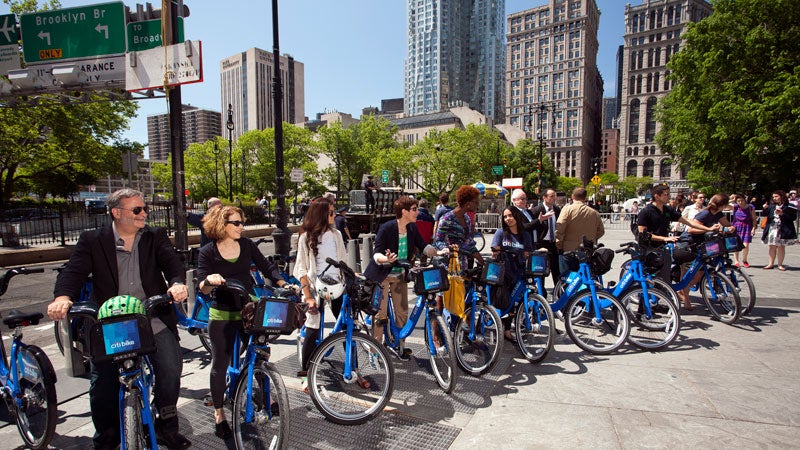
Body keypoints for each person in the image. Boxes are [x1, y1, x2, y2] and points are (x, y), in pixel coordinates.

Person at [48, 188, 191, 450]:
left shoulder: (154, 236)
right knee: (102, 383)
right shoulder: (93, 240)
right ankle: (107, 437)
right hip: (112, 322)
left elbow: (172, 265)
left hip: (151, 317)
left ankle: (167, 426)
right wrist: (63, 297)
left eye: (144, 208)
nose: (144, 213)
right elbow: (73, 271)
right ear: (117, 213)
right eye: (137, 210)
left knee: (170, 368)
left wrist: (177, 283)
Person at [197, 205, 295, 440]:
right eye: (236, 223)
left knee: (259, 352)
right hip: (222, 313)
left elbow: (267, 267)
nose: (242, 227)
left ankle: (267, 394)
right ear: (222, 225)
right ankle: (219, 414)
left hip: (248, 310)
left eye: (242, 223)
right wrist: (209, 280)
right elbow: (201, 285)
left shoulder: (247, 246)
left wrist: (283, 283)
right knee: (220, 363)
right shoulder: (208, 251)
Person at [365, 196, 445, 359]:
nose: (417, 213)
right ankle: (375, 352)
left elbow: (423, 246)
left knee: (402, 313)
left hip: (400, 275)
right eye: (414, 209)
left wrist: (438, 252)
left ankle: (400, 345)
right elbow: (376, 254)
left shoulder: (412, 229)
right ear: (404, 211)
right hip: (382, 276)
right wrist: (386, 259)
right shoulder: (386, 228)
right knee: (380, 316)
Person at [292, 198, 349, 384]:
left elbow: (344, 262)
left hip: (336, 285)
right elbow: (301, 269)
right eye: (331, 213)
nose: (334, 216)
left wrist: (353, 277)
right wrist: (308, 297)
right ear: (322, 215)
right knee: (313, 326)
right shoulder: (306, 237)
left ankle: (353, 367)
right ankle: (306, 370)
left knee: (347, 325)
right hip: (315, 287)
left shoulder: (336, 235)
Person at [636, 184, 720, 307]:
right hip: (649, 248)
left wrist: (707, 228)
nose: (669, 196)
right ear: (657, 196)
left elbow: (688, 222)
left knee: (664, 278)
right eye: (666, 194)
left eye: (669, 194)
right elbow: (643, 233)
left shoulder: (667, 209)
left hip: (663, 247)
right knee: (650, 279)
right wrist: (665, 238)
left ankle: (656, 302)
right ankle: (644, 306)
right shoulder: (646, 212)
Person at [679, 193, 735, 308]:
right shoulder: (704, 214)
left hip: (703, 244)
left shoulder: (718, 213)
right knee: (689, 272)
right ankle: (685, 296)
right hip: (689, 243)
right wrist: (708, 229)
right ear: (722, 205)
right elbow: (691, 229)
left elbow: (726, 224)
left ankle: (684, 291)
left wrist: (730, 227)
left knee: (701, 272)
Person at [491, 207, 533, 342]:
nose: (508, 219)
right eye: (505, 217)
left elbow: (528, 253)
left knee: (514, 302)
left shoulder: (525, 235)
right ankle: (501, 328)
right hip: (503, 272)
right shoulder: (500, 233)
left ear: (517, 216)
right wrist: (499, 251)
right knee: (503, 300)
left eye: (510, 216)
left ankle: (508, 330)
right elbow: (494, 252)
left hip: (518, 271)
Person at [555, 187, 605, 273]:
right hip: (587, 251)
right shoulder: (594, 213)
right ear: (585, 198)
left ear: (572, 196)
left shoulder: (567, 209)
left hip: (568, 250)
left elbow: (560, 228)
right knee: (584, 278)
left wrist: (558, 245)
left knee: (567, 280)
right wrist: (591, 239)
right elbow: (601, 231)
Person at [435, 185, 484, 267]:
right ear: (468, 203)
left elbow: (469, 243)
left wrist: (481, 261)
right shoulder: (447, 219)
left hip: (463, 264)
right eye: (476, 202)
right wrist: (446, 249)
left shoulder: (466, 218)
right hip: (449, 266)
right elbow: (438, 240)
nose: (478, 204)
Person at [530, 188, 561, 286]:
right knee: (541, 270)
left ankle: (558, 291)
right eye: (551, 196)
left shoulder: (556, 210)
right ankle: (541, 293)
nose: (554, 199)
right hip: (541, 243)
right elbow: (531, 226)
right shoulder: (536, 210)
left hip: (553, 243)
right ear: (544, 198)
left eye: (555, 196)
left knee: (556, 269)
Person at [761, 190, 798, 271]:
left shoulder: (789, 206)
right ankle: (770, 264)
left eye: (776, 196)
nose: (774, 198)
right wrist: (764, 208)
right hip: (772, 228)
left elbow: (793, 217)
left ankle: (780, 264)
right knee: (771, 246)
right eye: (773, 197)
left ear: (782, 196)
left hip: (783, 229)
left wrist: (782, 214)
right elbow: (764, 214)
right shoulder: (771, 206)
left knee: (781, 246)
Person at [730, 193, 757, 267]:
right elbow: (724, 205)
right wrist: (731, 200)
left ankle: (744, 260)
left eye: (742, 200)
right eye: (738, 201)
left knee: (746, 245)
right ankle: (736, 260)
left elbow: (754, 219)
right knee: (736, 244)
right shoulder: (735, 207)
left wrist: (754, 228)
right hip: (737, 226)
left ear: (745, 200)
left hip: (747, 226)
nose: (740, 202)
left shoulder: (750, 207)